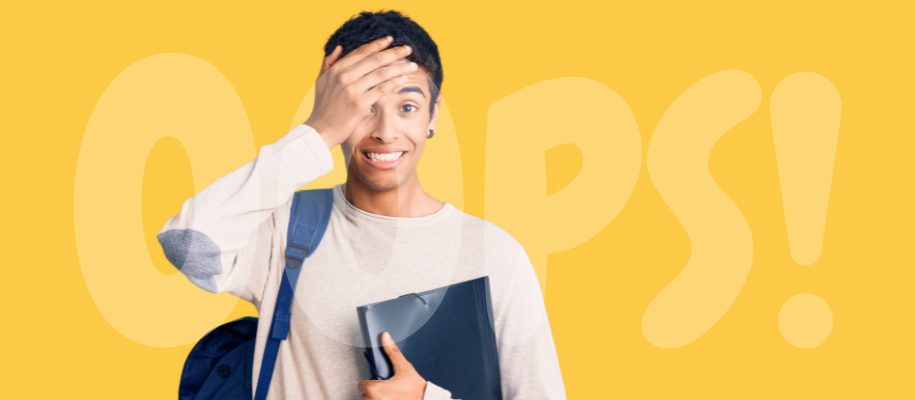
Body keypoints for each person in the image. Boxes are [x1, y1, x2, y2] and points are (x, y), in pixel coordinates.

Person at [158, 10, 565, 400]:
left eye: (407, 107)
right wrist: (318, 131)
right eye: (365, 107)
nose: (386, 132)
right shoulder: (286, 229)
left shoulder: (495, 253)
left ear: (432, 115)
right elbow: (188, 243)